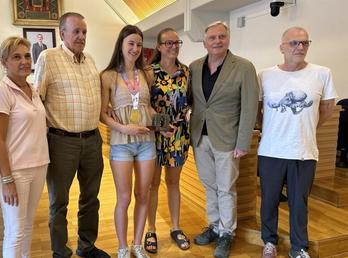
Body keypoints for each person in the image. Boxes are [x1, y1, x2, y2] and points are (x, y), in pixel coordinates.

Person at [33, 12, 109, 258]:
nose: (81, 36)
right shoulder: (48, 57)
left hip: (92, 140)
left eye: (84, 32)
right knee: (59, 203)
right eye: (75, 31)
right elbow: (37, 100)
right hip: (61, 141)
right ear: (62, 33)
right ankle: (60, 252)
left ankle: (86, 246)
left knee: (91, 199)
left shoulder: (90, 60)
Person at [257, 27, 337, 258]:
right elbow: (258, 111)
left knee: (299, 203)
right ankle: (269, 241)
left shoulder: (322, 73)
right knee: (269, 200)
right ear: (282, 47)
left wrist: (308, 128)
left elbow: (328, 107)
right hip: (271, 150)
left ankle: (299, 247)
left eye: (304, 43)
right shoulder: (265, 75)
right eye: (293, 43)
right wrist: (270, 128)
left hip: (304, 151)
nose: (299, 47)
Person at [189, 21, 259, 258]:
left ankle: (227, 232)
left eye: (221, 37)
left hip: (228, 139)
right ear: (205, 41)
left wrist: (243, 142)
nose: (217, 41)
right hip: (200, 137)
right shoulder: (195, 66)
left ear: (228, 39)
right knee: (209, 186)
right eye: (212, 38)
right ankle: (215, 226)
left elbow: (250, 108)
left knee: (226, 188)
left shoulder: (244, 67)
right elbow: (193, 102)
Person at [0, 36, 50, 258]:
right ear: (4, 62)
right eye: (16, 57)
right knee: (15, 232)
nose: (24, 61)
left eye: (26, 56)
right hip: (16, 171)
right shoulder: (0, 92)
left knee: (27, 227)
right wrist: (7, 180)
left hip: (39, 165)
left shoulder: (32, 89)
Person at [100, 24, 155, 258]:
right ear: (121, 45)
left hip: (146, 141)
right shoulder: (108, 75)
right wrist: (124, 127)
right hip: (121, 143)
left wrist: (162, 123)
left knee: (143, 194)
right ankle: (122, 247)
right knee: (123, 197)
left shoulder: (146, 74)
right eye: (131, 43)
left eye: (139, 44)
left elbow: (147, 107)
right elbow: (102, 113)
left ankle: (137, 244)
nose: (135, 48)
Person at [145, 28, 191, 254]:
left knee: (173, 183)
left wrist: (180, 121)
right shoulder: (148, 72)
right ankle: (151, 229)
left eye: (177, 42)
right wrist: (162, 125)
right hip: (154, 135)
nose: (174, 46)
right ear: (159, 46)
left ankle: (175, 227)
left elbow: (189, 102)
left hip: (178, 136)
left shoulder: (186, 72)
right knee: (152, 184)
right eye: (169, 43)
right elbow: (143, 104)